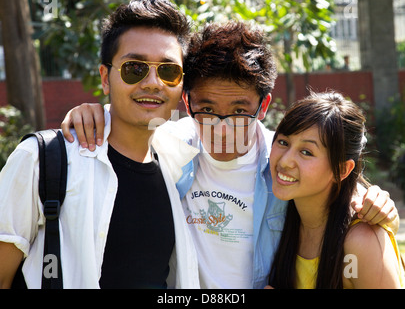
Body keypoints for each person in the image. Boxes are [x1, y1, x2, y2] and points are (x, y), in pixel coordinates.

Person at [61, 21, 399, 288]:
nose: (221, 130)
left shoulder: (282, 166)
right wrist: (97, 113)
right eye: (206, 109)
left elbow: (332, 181)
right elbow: (128, 121)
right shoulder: (167, 145)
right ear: (187, 102)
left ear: (264, 105)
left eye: (239, 112)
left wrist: (373, 199)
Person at [0, 0, 200, 289]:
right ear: (106, 78)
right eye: (135, 68)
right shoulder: (41, 160)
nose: (153, 83)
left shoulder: (180, 164)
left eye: (169, 71)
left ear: (181, 85)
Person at [268, 92, 404, 289]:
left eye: (306, 152)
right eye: (283, 142)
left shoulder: (360, 242)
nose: (285, 161)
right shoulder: (286, 218)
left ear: (341, 170)